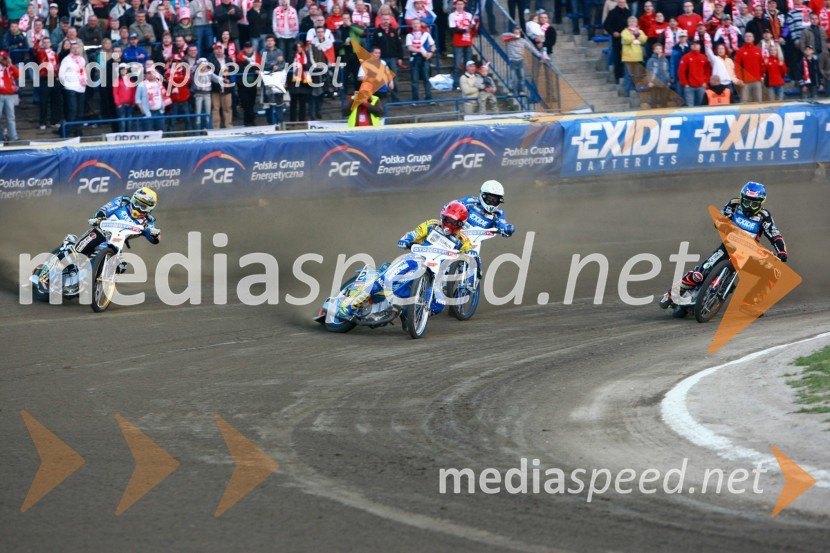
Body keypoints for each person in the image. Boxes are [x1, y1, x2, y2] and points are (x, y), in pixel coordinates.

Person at [660, 182, 787, 311]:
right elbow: (720, 217)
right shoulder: (733, 204)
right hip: (727, 247)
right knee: (700, 274)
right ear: (742, 198)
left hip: (749, 254)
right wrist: (721, 223)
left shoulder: (764, 216)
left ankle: (750, 304)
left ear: (761, 203)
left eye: (754, 204)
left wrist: (781, 251)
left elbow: (775, 234)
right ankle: (671, 294)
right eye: (747, 202)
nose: (749, 206)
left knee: (774, 273)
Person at [336, 201, 474, 320]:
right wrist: (405, 240)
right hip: (414, 260)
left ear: (460, 224)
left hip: (435, 274)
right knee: (383, 281)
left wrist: (469, 256)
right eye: (447, 219)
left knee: (438, 304)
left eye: (454, 222)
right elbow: (412, 234)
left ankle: (408, 316)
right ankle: (347, 306)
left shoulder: (463, 240)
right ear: (442, 216)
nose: (449, 224)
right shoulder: (431, 225)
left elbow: (468, 255)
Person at [87, 188, 161, 257]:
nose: (138, 207)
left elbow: (155, 239)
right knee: (94, 236)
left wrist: (155, 235)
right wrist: (97, 218)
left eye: (142, 206)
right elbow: (104, 210)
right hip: (101, 232)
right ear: (133, 199)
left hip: (116, 244)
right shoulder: (123, 202)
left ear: (149, 208)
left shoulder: (148, 221)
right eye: (136, 203)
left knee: (121, 267)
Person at [59, 42, 87, 137]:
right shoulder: (66, 60)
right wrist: (66, 85)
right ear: (70, 49)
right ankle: (69, 131)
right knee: (72, 110)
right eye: (73, 48)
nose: (75, 50)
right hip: (70, 88)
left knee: (80, 111)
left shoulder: (82, 59)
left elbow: (83, 71)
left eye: (77, 48)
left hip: (81, 88)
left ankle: (77, 129)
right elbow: (61, 74)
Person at [448, 0, 476, 90]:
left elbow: (474, 26)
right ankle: (456, 84)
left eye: (461, 4)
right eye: (458, 4)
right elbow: (453, 29)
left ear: (464, 5)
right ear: (455, 5)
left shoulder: (469, 15)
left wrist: (472, 27)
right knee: (457, 64)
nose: (460, 6)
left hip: (468, 41)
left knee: (468, 64)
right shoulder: (452, 15)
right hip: (458, 42)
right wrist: (464, 30)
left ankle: (467, 83)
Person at [407, 19, 436, 102]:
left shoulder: (426, 34)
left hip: (425, 59)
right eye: (414, 23)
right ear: (412, 25)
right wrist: (421, 51)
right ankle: (415, 99)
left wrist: (430, 53)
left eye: (417, 23)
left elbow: (433, 45)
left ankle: (428, 97)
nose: (416, 25)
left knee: (426, 79)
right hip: (414, 59)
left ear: (420, 25)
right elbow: (410, 47)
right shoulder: (409, 35)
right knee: (414, 80)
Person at [603, 0, 631, 83]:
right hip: (617, 39)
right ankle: (618, 78)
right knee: (618, 59)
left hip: (627, 40)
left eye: (623, 2)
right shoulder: (613, 12)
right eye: (620, 2)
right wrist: (613, 32)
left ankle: (627, 77)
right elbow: (606, 25)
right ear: (618, 3)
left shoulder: (628, 12)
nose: (622, 4)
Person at [678, 40, 710, 106]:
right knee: (690, 106)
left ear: (700, 46)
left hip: (701, 85)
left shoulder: (704, 57)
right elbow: (681, 71)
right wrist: (685, 83)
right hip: (689, 86)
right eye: (693, 44)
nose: (695, 45)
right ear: (691, 46)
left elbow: (708, 71)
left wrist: (705, 82)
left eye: (697, 44)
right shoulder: (686, 57)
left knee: (702, 105)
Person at [734, 31, 764, 102]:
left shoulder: (758, 50)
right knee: (744, 101)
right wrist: (740, 79)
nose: (748, 38)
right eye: (746, 36)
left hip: (757, 80)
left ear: (753, 38)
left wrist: (762, 76)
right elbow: (737, 67)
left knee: (758, 100)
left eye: (750, 36)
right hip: (745, 81)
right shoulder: (740, 51)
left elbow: (762, 64)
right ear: (744, 38)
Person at [0, 51, 20, 142]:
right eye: (2, 58)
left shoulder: (9, 68)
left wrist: (10, 64)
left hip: (9, 95)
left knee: (11, 117)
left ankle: (13, 137)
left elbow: (18, 74)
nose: (4, 60)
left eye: (5, 57)